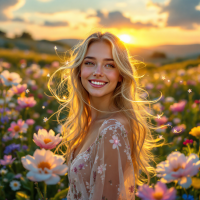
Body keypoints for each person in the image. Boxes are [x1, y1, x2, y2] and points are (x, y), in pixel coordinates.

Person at [50, 31, 165, 200]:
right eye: (89, 63)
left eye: (109, 65)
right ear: (79, 70)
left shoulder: (113, 129)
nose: (98, 72)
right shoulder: (90, 122)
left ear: (120, 75)